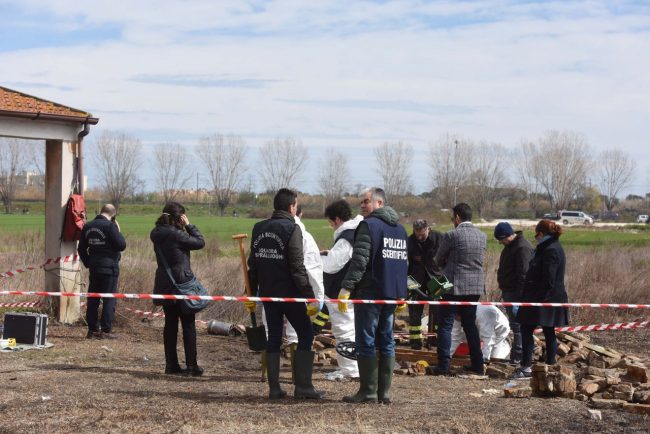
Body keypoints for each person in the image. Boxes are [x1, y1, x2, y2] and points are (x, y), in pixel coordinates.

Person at [247, 188, 324, 400]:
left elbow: (253, 266)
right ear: (292, 207)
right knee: (306, 334)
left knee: (273, 338)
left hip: (268, 295)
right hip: (290, 295)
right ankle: (303, 387)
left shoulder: (259, 227)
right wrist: (310, 296)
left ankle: (274, 389)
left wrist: (250, 293)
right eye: (296, 205)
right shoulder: (292, 229)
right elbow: (297, 267)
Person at [339, 188, 408, 404]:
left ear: (379, 203)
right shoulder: (400, 229)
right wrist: (402, 293)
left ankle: (368, 391)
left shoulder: (368, 226)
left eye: (366, 201)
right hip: (391, 294)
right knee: (387, 340)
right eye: (361, 202)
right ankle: (383, 393)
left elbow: (360, 260)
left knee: (366, 341)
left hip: (370, 292)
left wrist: (346, 287)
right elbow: (402, 264)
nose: (362, 205)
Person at [150, 202, 206, 376]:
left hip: (164, 283)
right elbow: (200, 242)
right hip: (182, 283)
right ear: (179, 218)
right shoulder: (176, 234)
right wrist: (189, 225)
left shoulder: (156, 233)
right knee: (188, 324)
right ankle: (191, 366)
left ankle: (171, 365)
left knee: (170, 324)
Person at [433, 203, 487, 376]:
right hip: (475, 287)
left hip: (453, 286)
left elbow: (438, 259)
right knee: (470, 325)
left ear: (457, 218)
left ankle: (443, 365)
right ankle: (478, 364)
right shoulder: (482, 236)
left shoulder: (452, 235)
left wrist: (447, 265)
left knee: (445, 325)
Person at [511, 220, 569, 380]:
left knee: (527, 329)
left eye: (536, 234)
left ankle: (528, 367)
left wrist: (533, 299)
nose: (535, 237)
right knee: (548, 331)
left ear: (541, 234)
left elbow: (548, 280)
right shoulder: (548, 247)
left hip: (544, 299)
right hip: (542, 298)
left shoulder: (551, 250)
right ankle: (549, 366)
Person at [317, 199, 363, 381]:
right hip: (347, 292)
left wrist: (316, 259)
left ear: (336, 219)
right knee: (348, 330)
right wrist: (328, 254)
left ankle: (350, 371)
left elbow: (331, 265)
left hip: (340, 292)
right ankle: (351, 369)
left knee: (344, 331)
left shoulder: (346, 237)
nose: (331, 226)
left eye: (330, 222)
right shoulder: (355, 232)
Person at [281, 204, 325, 379]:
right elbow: (313, 269)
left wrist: (252, 291)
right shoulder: (304, 237)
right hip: (295, 294)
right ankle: (299, 379)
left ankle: (271, 381)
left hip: (270, 293)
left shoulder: (266, 231)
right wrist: (316, 298)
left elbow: (257, 264)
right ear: (298, 213)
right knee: (301, 335)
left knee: (271, 334)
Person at [78, 204, 126, 340]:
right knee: (109, 299)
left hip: (94, 268)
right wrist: (118, 230)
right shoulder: (110, 226)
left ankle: (92, 329)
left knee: (93, 299)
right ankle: (105, 330)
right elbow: (122, 245)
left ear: (101, 211)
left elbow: (81, 249)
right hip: (109, 268)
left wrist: (88, 263)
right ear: (113, 214)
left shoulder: (88, 226)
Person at [494, 222, 533, 365]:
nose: (500, 243)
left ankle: (518, 357)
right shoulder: (511, 246)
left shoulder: (522, 248)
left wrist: (520, 298)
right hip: (510, 291)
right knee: (515, 325)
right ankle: (517, 357)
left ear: (507, 235)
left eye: (501, 239)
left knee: (518, 326)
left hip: (517, 294)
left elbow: (524, 274)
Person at [406, 219, 443, 349]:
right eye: (417, 234)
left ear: (429, 229)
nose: (420, 237)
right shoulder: (409, 241)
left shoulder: (440, 238)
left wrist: (446, 282)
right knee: (414, 312)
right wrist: (409, 285)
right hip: (415, 281)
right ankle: (415, 341)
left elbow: (449, 260)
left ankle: (438, 340)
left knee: (440, 311)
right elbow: (405, 265)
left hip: (437, 278)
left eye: (423, 234)